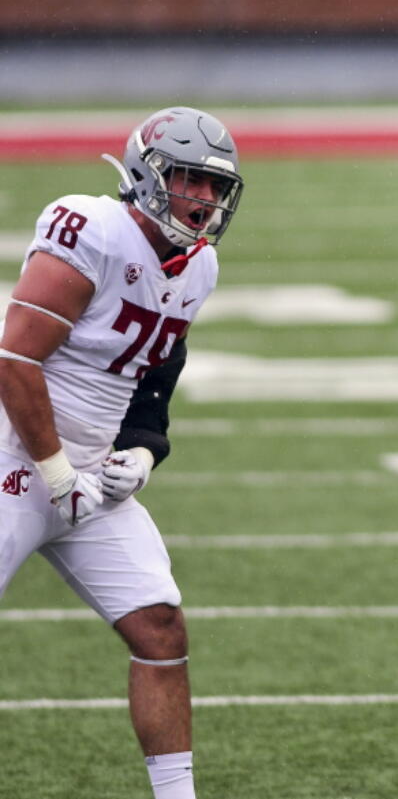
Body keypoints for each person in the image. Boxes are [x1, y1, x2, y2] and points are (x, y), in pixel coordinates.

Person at [0, 106, 243, 799]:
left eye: (213, 186)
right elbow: (16, 360)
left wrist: (143, 450)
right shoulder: (93, 229)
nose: (202, 199)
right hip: (15, 456)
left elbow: (156, 371)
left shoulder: (199, 266)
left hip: (87, 475)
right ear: (145, 174)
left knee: (161, 625)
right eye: (189, 180)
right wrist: (53, 470)